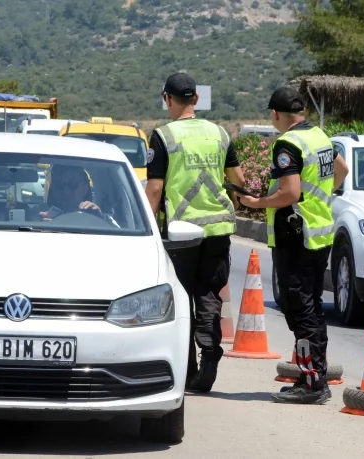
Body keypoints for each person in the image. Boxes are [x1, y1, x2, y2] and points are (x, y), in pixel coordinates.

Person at [232, 86, 348, 404]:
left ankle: (311, 383)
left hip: (296, 237)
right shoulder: (319, 136)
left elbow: (290, 193)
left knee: (300, 311)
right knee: (311, 308)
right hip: (319, 234)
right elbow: (342, 170)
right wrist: (320, 197)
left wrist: (257, 202)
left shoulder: (287, 143)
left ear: (275, 115)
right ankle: (316, 377)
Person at [144, 71, 245, 393]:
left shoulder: (163, 136)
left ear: (167, 100)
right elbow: (239, 180)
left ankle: (187, 369)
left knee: (181, 298)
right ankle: (211, 353)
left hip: (181, 232)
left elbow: (156, 188)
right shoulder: (220, 134)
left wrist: (146, 224)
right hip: (218, 229)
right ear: (197, 99)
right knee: (208, 294)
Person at [40, 164, 118, 226]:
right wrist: (40, 227)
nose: (65, 191)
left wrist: (101, 220)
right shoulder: (36, 215)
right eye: (59, 185)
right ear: (52, 188)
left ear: (84, 188)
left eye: (72, 185)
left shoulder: (96, 215)